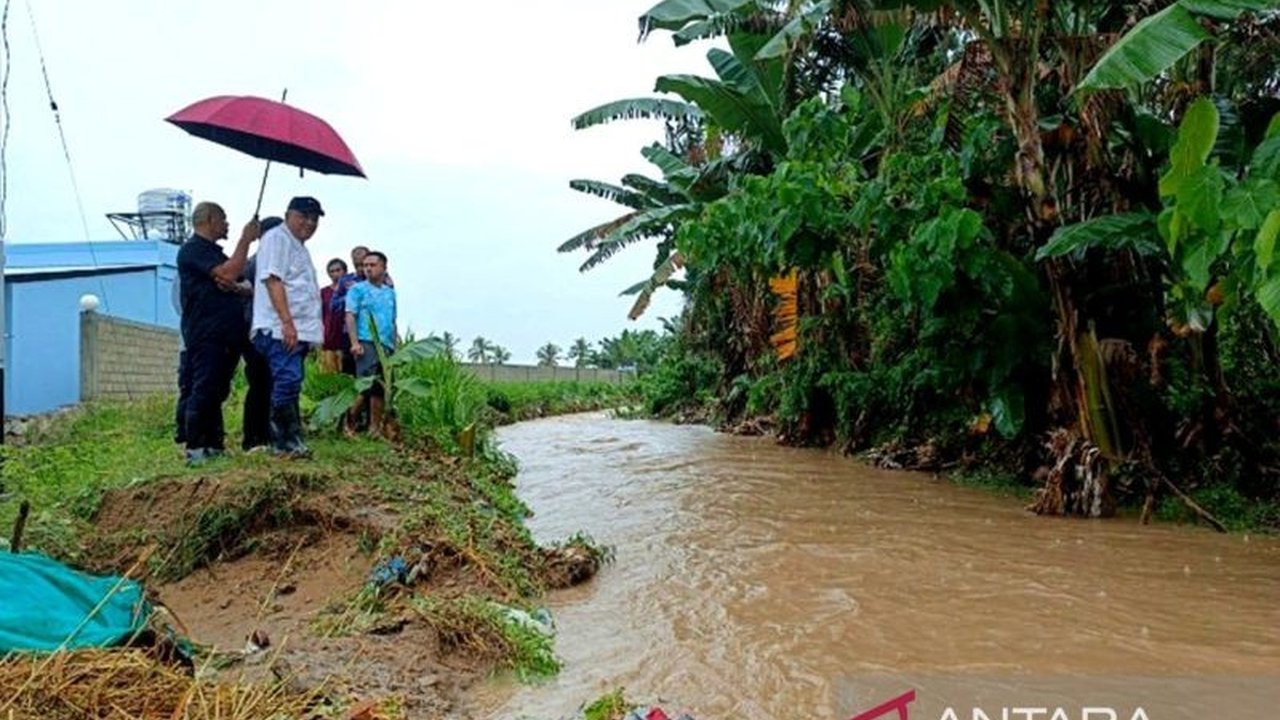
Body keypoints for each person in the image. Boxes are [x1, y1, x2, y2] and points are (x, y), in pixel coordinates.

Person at [176, 202, 259, 464]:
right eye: (223, 219)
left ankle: (214, 444)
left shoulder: (215, 253)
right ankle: (196, 446)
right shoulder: (192, 250)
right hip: (207, 332)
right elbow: (229, 274)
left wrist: (234, 284)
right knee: (204, 387)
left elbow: (240, 280)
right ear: (210, 219)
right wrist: (245, 239)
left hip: (228, 333)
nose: (227, 224)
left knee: (218, 390)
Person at [251, 197, 325, 458]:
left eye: (314, 219)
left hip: (298, 329)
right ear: (288, 215)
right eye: (303, 216)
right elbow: (273, 280)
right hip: (279, 327)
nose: (309, 223)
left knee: (292, 381)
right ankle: (283, 441)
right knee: (287, 379)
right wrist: (287, 323)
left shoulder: (299, 247)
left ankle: (292, 438)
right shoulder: (277, 239)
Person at [236, 216, 284, 451]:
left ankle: (264, 435)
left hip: (263, 331)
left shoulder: (259, 262)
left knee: (266, 384)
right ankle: (256, 438)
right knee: (262, 384)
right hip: (258, 332)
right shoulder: (260, 263)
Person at [345, 250, 397, 437]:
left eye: (372, 265)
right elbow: (350, 316)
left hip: (386, 345)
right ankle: (348, 424)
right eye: (365, 265)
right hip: (366, 341)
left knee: (379, 388)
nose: (368, 268)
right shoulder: (357, 290)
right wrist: (354, 342)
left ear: (384, 268)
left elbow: (393, 320)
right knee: (364, 385)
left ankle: (374, 429)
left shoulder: (390, 293)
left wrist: (395, 346)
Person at [319, 258, 349, 374]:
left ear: (345, 271)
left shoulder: (352, 290)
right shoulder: (324, 292)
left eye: (338, 270)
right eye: (332, 271)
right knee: (329, 373)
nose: (335, 274)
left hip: (346, 336)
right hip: (329, 337)